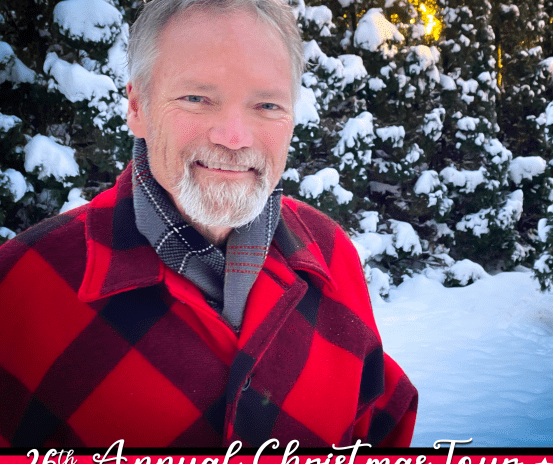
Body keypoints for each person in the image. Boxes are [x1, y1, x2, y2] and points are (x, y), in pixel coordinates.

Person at [0, 0, 417, 448]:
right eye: (197, 98)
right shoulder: (20, 286)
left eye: (267, 104)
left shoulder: (330, 252)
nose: (234, 137)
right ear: (138, 107)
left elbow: (378, 427)